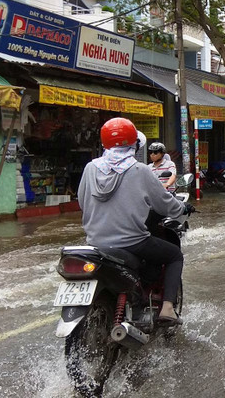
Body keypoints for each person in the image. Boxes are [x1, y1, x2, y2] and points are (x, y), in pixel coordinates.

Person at [78, 117, 193, 325]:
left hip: (95, 243)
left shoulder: (90, 168)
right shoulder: (140, 170)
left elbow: (82, 201)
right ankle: (167, 309)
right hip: (132, 242)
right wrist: (182, 208)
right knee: (175, 255)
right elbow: (165, 203)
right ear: (133, 143)